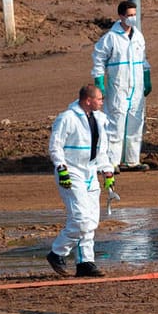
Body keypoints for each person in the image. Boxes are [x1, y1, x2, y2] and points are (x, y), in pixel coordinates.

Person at [47, 84, 117, 277]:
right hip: (72, 172)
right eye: (100, 99)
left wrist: (108, 171)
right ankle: (57, 252)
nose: (102, 102)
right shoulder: (67, 118)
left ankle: (85, 262)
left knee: (92, 219)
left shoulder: (100, 119)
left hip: (90, 172)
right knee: (80, 219)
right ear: (88, 100)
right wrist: (61, 168)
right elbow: (55, 146)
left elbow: (101, 150)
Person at [89, 0, 149, 172]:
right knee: (116, 122)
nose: (132, 18)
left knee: (136, 122)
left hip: (136, 88)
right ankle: (112, 162)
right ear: (121, 16)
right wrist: (99, 81)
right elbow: (98, 58)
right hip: (118, 87)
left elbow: (143, 59)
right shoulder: (111, 38)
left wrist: (147, 76)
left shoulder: (138, 36)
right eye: (129, 15)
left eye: (134, 14)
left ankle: (132, 160)